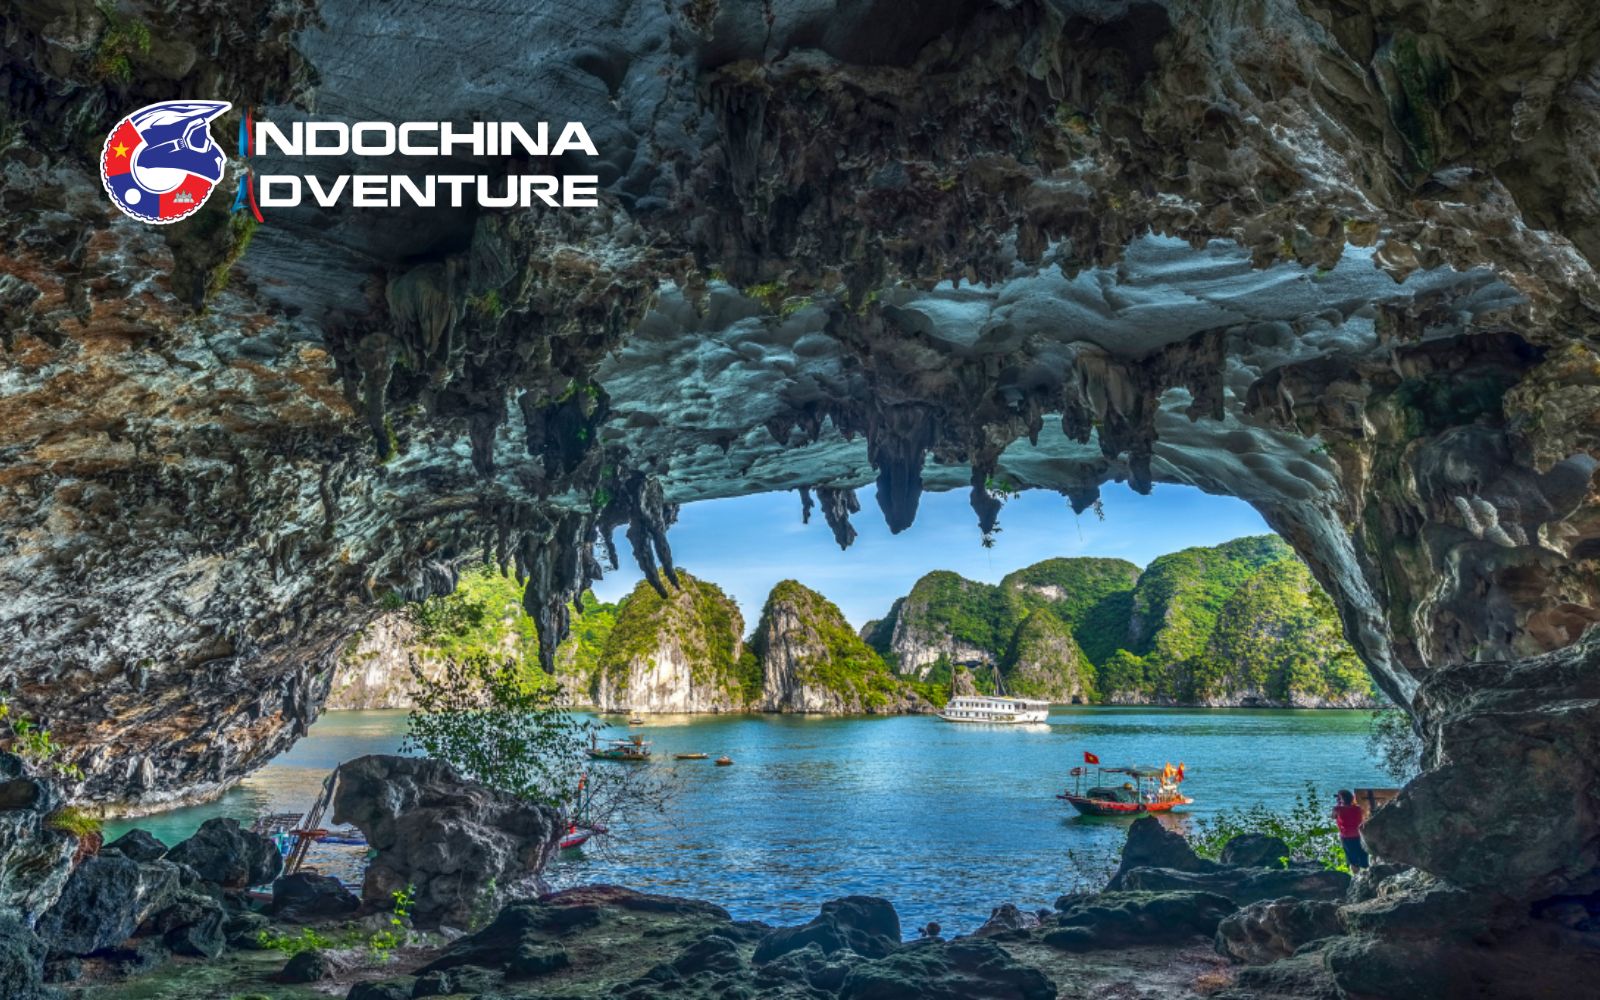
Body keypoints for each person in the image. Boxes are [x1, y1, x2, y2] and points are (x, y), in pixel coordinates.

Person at [1333, 789, 1369, 871]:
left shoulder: (1337, 809)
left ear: (1341, 799)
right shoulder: (1358, 808)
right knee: (1362, 856)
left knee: (1352, 859)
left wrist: (1338, 803)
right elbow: (1363, 815)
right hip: (1359, 835)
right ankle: (1366, 872)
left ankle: (1356, 876)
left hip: (1346, 836)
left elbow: (1333, 816)